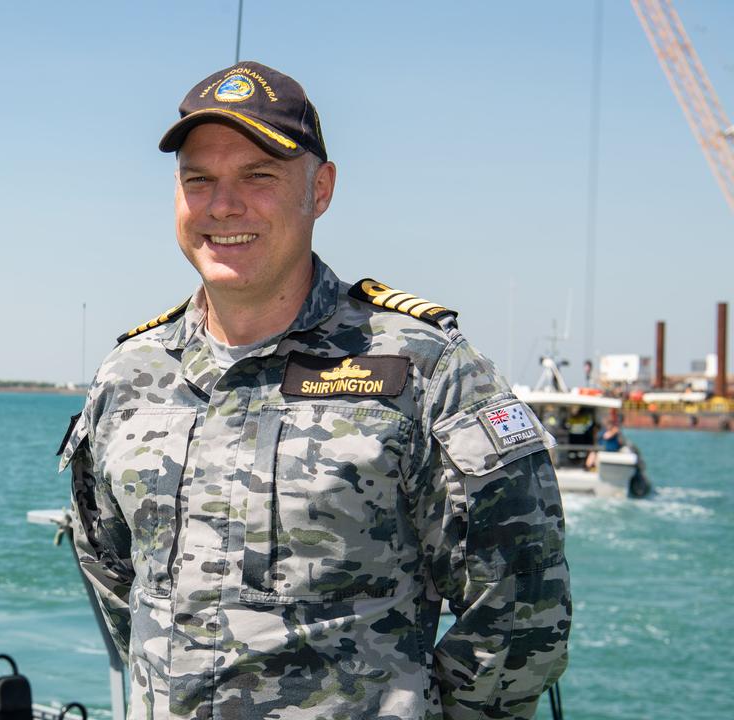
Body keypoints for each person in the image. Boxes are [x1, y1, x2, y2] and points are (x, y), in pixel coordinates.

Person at [59, 61, 570, 719]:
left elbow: (523, 606)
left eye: (259, 177)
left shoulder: (423, 367)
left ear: (320, 190)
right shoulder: (130, 375)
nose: (223, 205)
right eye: (199, 180)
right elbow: (113, 578)